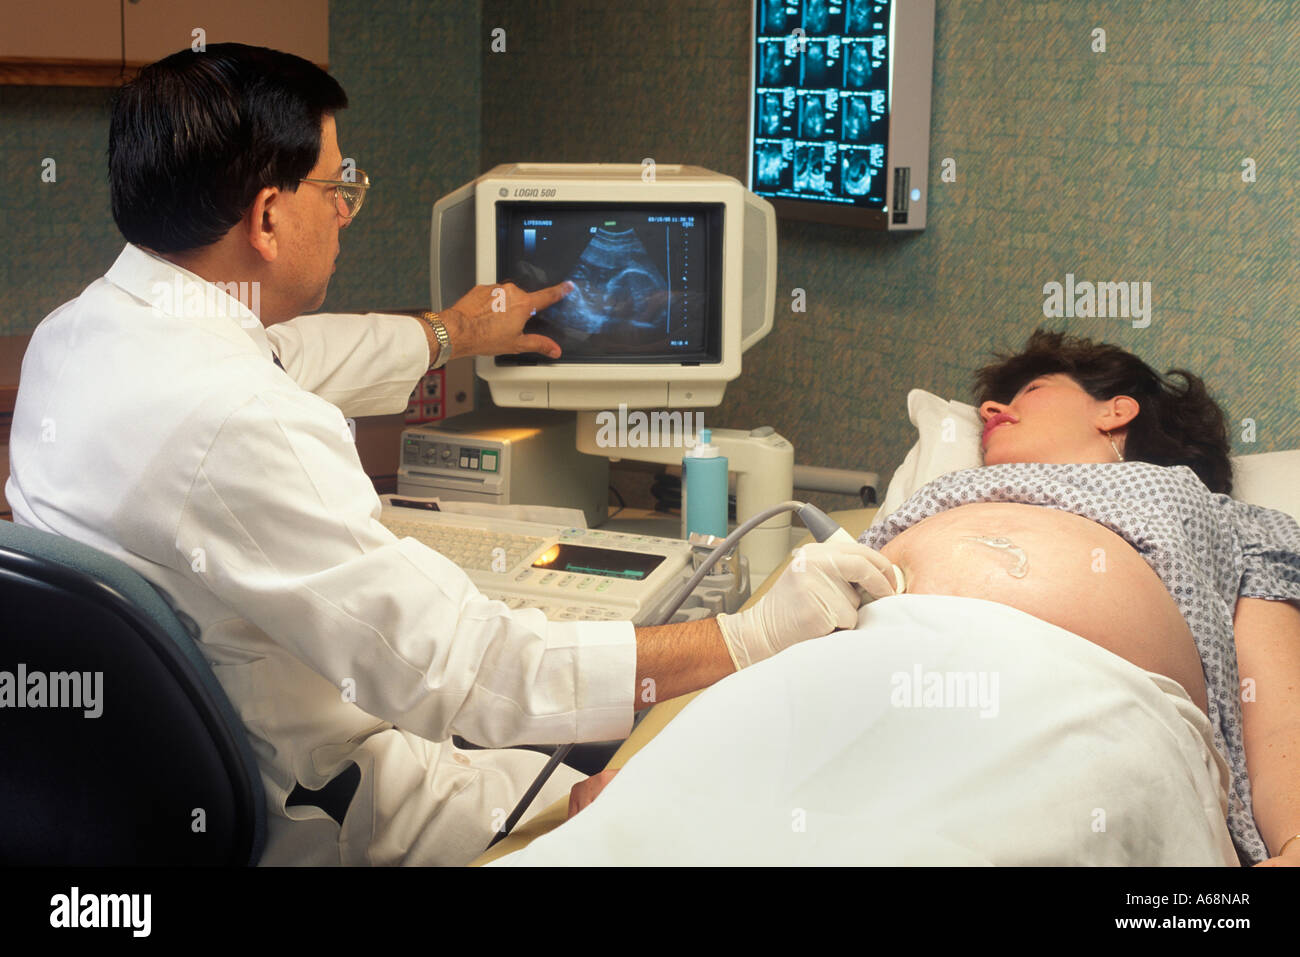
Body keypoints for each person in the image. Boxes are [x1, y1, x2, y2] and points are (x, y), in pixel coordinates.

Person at [4, 44, 901, 866]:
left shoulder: (78, 338)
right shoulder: (244, 421)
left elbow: (289, 356)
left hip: (133, 811)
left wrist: (454, 331)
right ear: (269, 217)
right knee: (671, 793)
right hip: (335, 818)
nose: (348, 212)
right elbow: (475, 675)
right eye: (336, 187)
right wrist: (747, 635)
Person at [569, 330, 1300, 866]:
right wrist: (664, 764)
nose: (989, 406)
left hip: (1081, 703)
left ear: (1116, 410)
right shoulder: (935, 499)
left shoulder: (1219, 518)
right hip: (844, 681)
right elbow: (787, 645)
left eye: (1026, 393)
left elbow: (1273, 705)